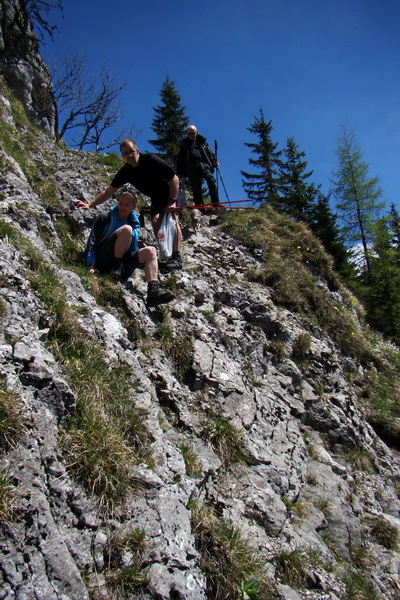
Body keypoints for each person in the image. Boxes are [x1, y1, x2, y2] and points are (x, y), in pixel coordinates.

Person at [77, 139, 183, 271]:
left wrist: (172, 200)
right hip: (157, 197)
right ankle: (166, 254)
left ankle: (177, 257)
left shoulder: (151, 159)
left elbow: (174, 178)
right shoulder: (126, 172)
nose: (129, 155)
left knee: (173, 219)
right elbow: (109, 191)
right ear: (123, 156)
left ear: (137, 151)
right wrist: (89, 204)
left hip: (174, 190)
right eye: (125, 153)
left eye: (131, 151)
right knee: (156, 221)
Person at [85, 190, 175, 307]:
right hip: (103, 259)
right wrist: (91, 263)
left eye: (127, 204)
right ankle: (115, 271)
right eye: (121, 203)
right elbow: (92, 239)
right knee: (126, 229)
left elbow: (132, 248)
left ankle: (153, 293)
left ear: (134, 206)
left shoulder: (134, 223)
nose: (123, 206)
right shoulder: (106, 217)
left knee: (151, 251)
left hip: (123, 262)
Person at [176, 125, 220, 210]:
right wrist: (179, 173)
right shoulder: (184, 145)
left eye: (193, 133)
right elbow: (180, 160)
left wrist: (214, 162)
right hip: (191, 167)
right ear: (187, 134)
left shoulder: (202, 142)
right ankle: (200, 206)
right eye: (189, 134)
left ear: (196, 133)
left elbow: (209, 153)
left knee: (211, 181)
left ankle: (215, 203)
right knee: (196, 187)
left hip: (203, 164)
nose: (192, 135)